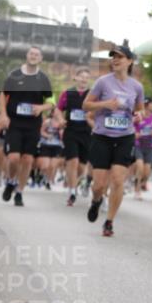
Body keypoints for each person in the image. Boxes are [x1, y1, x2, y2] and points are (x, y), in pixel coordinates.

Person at [83, 45, 144, 237]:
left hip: (125, 137)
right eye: (113, 57)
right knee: (99, 185)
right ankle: (96, 200)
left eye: (120, 57)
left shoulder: (137, 86)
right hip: (102, 136)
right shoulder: (103, 82)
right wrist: (105, 104)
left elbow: (139, 109)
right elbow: (86, 105)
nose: (115, 60)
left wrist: (139, 115)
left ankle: (109, 221)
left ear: (130, 61)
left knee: (118, 180)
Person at [0, 47, 53, 206]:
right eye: (31, 53)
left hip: (33, 125)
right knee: (14, 158)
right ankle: (11, 181)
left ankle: (20, 192)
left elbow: (51, 102)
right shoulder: (14, 75)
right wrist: (3, 114)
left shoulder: (43, 79)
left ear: (40, 58)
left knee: (28, 159)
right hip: (14, 122)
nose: (33, 56)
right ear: (26, 56)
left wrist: (41, 108)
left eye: (37, 54)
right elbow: (3, 94)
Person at [58, 67, 93, 206]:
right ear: (76, 78)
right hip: (71, 131)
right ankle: (72, 191)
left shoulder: (92, 95)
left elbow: (98, 111)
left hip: (86, 133)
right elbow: (58, 109)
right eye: (81, 76)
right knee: (72, 161)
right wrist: (60, 119)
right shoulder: (67, 93)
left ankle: (74, 182)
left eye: (86, 77)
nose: (84, 79)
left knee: (81, 167)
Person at [133, 99, 152, 199]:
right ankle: (137, 191)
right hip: (138, 145)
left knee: (146, 173)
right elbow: (131, 127)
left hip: (149, 147)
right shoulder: (138, 116)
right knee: (140, 167)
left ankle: (139, 183)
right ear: (146, 104)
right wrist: (135, 134)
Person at [37, 107, 63, 188]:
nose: (57, 113)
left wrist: (61, 130)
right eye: (55, 112)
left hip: (57, 145)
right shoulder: (47, 122)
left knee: (53, 165)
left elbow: (63, 134)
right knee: (45, 166)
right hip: (46, 144)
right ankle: (42, 176)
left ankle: (48, 181)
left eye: (59, 112)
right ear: (52, 113)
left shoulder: (61, 123)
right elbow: (41, 131)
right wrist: (48, 136)